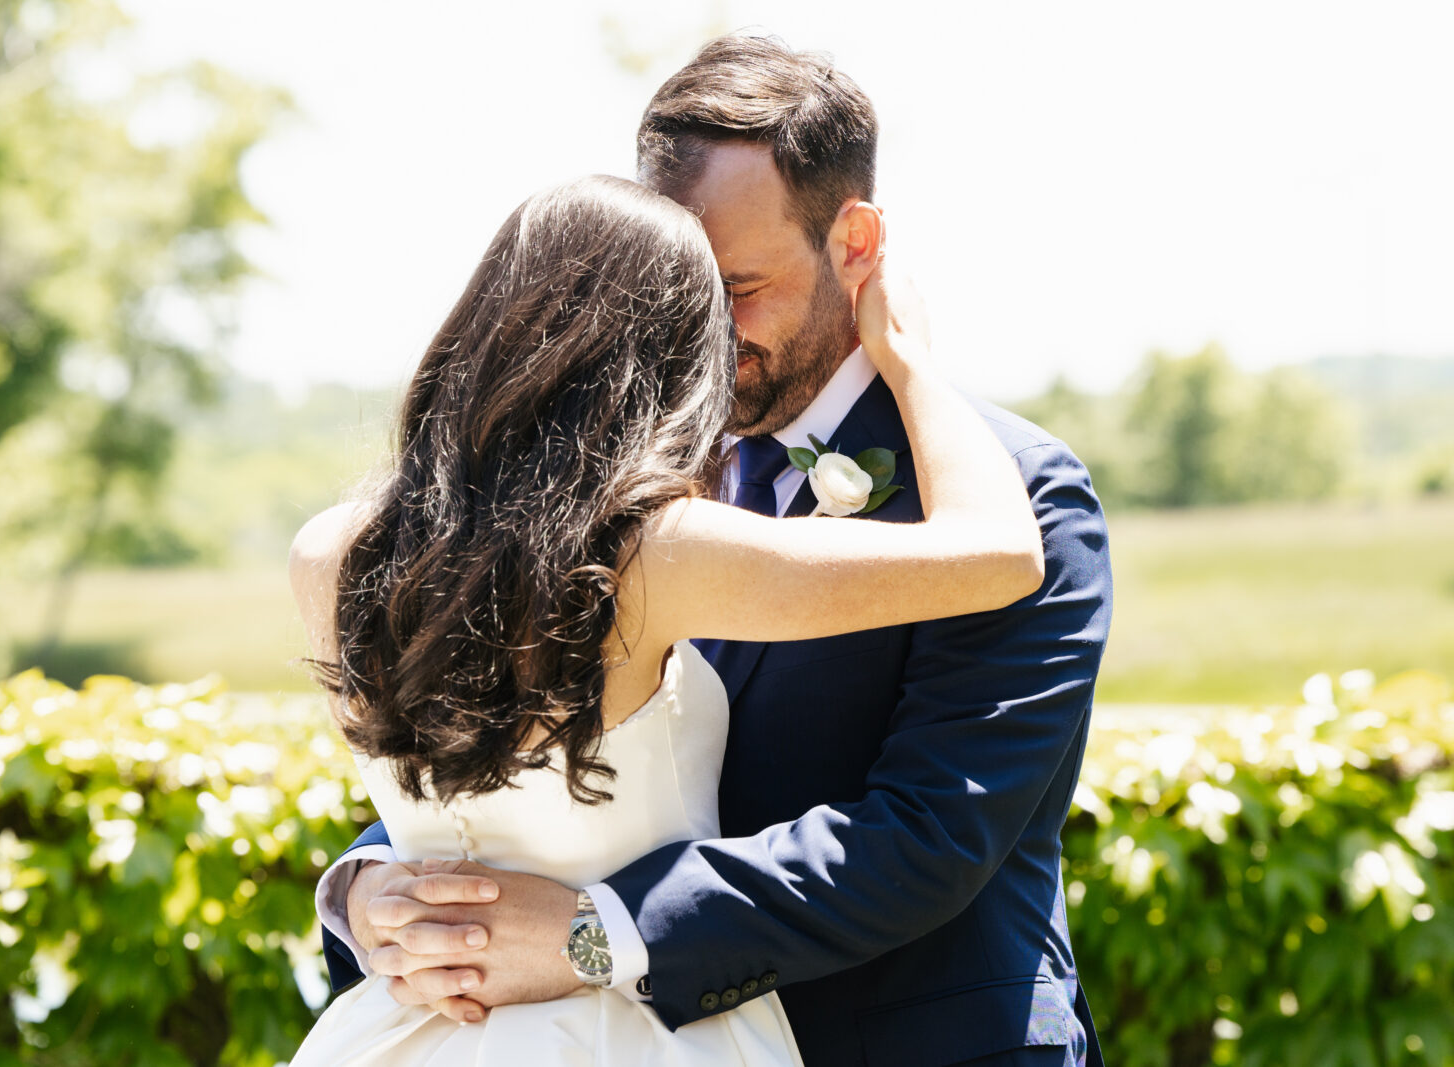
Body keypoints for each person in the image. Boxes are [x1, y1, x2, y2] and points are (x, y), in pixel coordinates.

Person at [315, 35, 1113, 1067]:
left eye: (736, 289)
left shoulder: (1016, 487)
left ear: (855, 240)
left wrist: (594, 931)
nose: (698, 340)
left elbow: (930, 833)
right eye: (671, 302)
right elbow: (518, 742)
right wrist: (375, 888)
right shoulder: (597, 494)